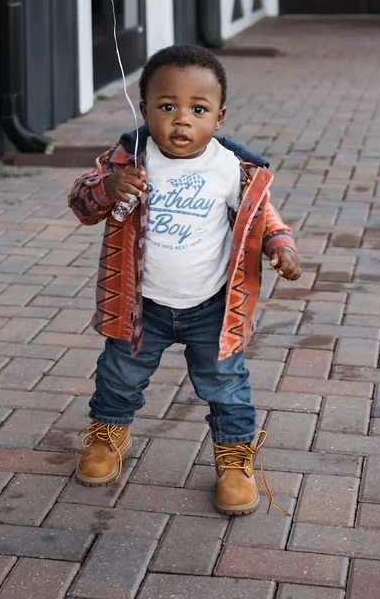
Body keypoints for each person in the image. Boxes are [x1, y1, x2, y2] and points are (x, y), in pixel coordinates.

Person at [68, 42, 302, 515]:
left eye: (198, 109)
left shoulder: (230, 168)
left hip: (211, 307)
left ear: (218, 117)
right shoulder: (128, 161)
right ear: (146, 107)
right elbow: (81, 204)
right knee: (119, 374)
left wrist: (280, 244)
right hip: (141, 305)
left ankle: (234, 459)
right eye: (167, 106)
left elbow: (262, 215)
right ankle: (108, 435)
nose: (181, 120)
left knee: (226, 385)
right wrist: (106, 189)